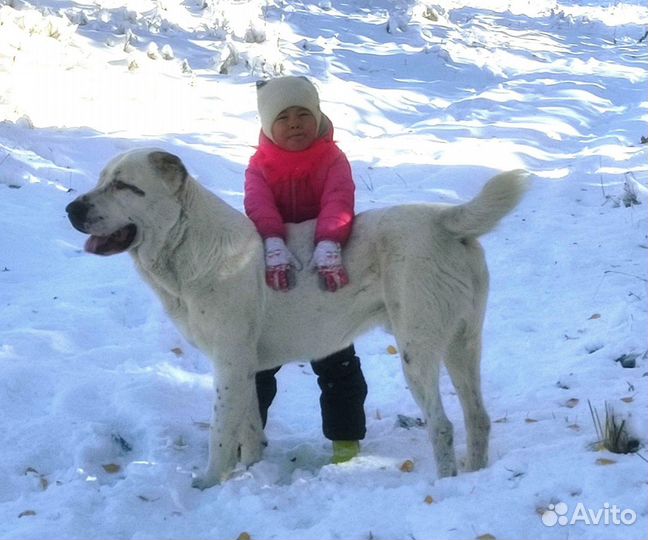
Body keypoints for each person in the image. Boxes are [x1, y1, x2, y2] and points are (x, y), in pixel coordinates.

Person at [244, 76, 367, 463]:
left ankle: (345, 440)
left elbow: (339, 198)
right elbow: (258, 204)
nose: (295, 123)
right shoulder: (259, 165)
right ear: (267, 125)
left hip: (322, 273)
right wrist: (272, 241)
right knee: (260, 365)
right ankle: (246, 437)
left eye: (303, 114)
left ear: (318, 117)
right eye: (283, 116)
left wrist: (330, 240)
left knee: (336, 358)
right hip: (277, 276)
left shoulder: (332, 159)